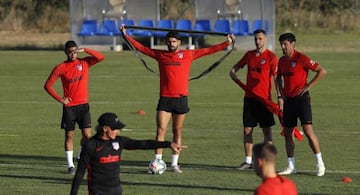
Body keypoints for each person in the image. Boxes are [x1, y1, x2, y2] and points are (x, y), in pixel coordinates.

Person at [121, 25, 235, 173]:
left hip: (181, 99)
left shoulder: (188, 54)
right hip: (165, 99)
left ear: (179, 42)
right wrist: (125, 35)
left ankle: (174, 163)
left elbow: (208, 51)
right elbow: (142, 48)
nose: (171, 44)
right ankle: (158, 160)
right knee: (160, 130)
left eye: (174, 42)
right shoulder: (160, 55)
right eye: (169, 41)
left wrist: (227, 43)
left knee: (177, 131)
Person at [70, 112, 185, 195]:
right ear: (105, 129)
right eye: (115, 129)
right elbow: (80, 172)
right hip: (98, 191)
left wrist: (168, 144)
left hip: (116, 190)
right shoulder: (91, 145)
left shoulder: (119, 141)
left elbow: (143, 144)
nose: (118, 131)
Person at [44, 40, 104, 174]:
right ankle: (70, 165)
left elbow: (100, 57)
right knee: (69, 135)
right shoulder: (60, 67)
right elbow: (47, 85)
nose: (73, 54)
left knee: (87, 136)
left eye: (75, 51)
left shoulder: (85, 63)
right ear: (66, 52)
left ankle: (81, 153)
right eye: (70, 52)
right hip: (70, 107)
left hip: (83, 105)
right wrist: (61, 99)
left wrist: (86, 50)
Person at [276, 32, 326, 176]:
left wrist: (309, 86)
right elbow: (278, 77)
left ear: (293, 44)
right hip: (288, 101)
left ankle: (320, 163)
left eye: (285, 44)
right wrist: (281, 93)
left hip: (302, 99)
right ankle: (291, 166)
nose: (283, 47)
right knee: (288, 133)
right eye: (281, 44)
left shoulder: (301, 58)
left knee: (308, 131)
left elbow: (322, 71)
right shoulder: (281, 61)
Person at [229, 29, 278, 170]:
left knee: (266, 131)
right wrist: (233, 72)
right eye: (256, 39)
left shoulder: (271, 57)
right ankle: (248, 161)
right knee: (247, 130)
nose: (257, 41)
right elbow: (237, 67)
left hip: (264, 100)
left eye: (260, 39)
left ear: (265, 39)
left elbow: (276, 79)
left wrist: (279, 96)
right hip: (249, 99)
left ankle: (268, 161)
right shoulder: (249, 55)